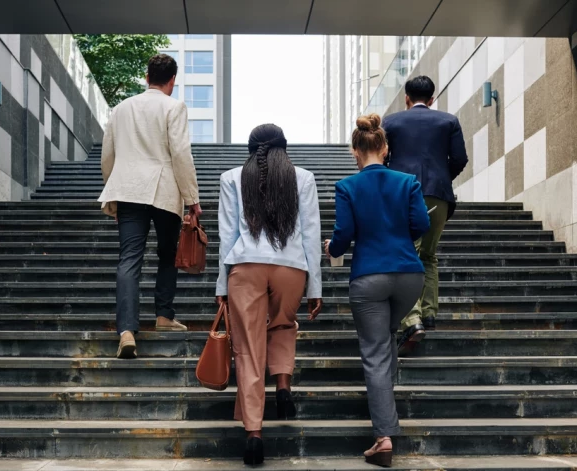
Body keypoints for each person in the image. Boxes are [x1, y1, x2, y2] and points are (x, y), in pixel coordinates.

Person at [325, 114, 430, 468]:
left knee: (374, 353)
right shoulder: (407, 182)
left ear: (355, 150)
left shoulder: (347, 187)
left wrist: (331, 249)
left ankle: (384, 437)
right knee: (384, 337)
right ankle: (386, 400)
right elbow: (422, 224)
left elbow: (342, 238)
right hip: (409, 277)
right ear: (385, 149)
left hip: (369, 276)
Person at [215, 124, 323, 466]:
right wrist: (315, 286)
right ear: (284, 147)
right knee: (283, 324)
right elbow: (311, 233)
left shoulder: (231, 178)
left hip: (245, 266)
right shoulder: (302, 178)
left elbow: (228, 236)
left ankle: (254, 435)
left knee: (247, 348)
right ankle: (283, 386)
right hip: (291, 267)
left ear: (250, 149)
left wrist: (222, 285)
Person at [99, 54, 202, 359]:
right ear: (172, 80)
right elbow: (181, 154)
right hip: (164, 190)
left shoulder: (120, 109)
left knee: (129, 258)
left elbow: (108, 155)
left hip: (128, 189)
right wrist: (192, 199)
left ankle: (127, 330)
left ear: (146, 77)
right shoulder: (174, 107)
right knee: (168, 253)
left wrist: (113, 189)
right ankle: (164, 316)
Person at [382, 76, 469, 356]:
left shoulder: (391, 122)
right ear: (432, 99)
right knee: (428, 255)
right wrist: (441, 179)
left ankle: (412, 319)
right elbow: (460, 159)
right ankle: (429, 313)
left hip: (402, 192)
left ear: (406, 98)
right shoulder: (448, 121)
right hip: (438, 193)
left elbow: (381, 158)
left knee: (406, 253)